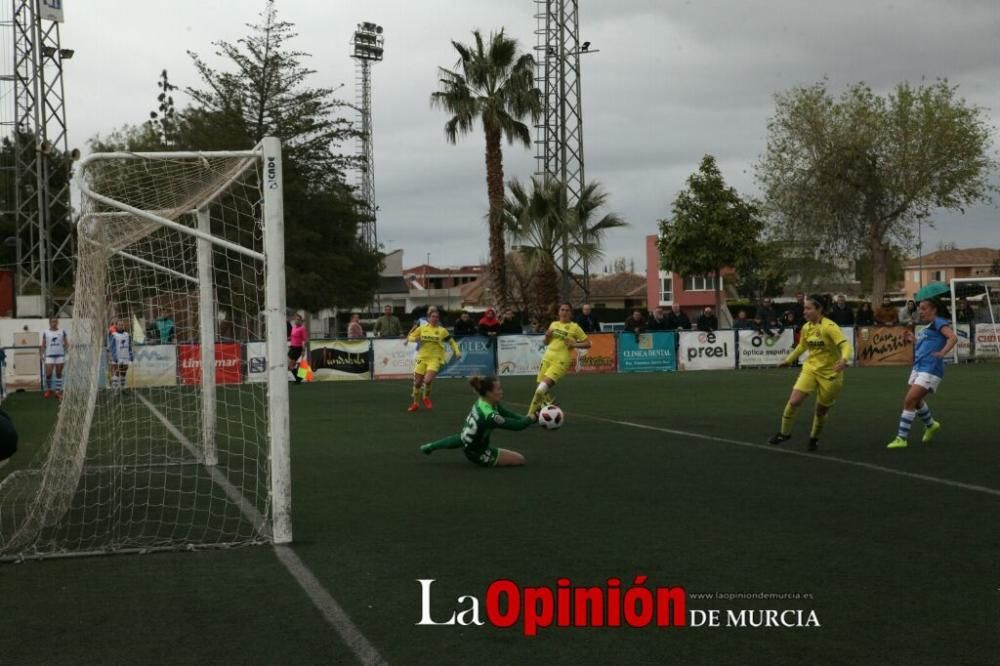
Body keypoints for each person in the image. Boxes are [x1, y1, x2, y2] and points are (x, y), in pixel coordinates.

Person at [768, 295, 852, 451]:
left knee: (820, 411)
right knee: (794, 401)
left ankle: (814, 438)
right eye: (804, 308)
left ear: (819, 309)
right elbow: (802, 347)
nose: (804, 311)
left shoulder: (829, 327)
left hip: (831, 374)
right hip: (811, 368)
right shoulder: (806, 327)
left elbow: (846, 345)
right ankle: (784, 433)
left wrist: (844, 359)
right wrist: (788, 360)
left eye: (808, 308)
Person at [886, 298, 957, 449]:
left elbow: (953, 337)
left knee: (909, 401)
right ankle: (931, 425)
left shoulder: (939, 322)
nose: (921, 311)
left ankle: (901, 438)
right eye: (920, 308)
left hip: (930, 369)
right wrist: (913, 339)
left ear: (934, 310)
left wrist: (943, 352)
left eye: (924, 308)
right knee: (916, 401)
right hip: (918, 367)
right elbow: (925, 345)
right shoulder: (928, 327)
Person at [419, 376, 533, 466]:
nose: (501, 391)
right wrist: (532, 418)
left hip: (469, 443)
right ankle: (431, 447)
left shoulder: (483, 402)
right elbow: (517, 426)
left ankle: (430, 446)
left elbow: (508, 414)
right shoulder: (489, 416)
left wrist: (528, 418)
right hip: (478, 453)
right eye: (498, 389)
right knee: (519, 460)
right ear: (489, 393)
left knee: (463, 438)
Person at [527, 303, 591, 417]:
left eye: (567, 310)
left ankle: (529, 416)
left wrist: (575, 344)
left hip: (560, 362)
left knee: (541, 390)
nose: (564, 312)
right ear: (558, 312)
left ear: (571, 313)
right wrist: (547, 336)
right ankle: (546, 404)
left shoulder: (574, 327)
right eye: (562, 310)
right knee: (539, 390)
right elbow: (546, 343)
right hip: (547, 359)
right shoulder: (553, 324)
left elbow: (588, 344)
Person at [405, 309, 461, 412]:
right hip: (421, 357)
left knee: (427, 380)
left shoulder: (442, 330)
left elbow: (451, 341)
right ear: (428, 318)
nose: (435, 318)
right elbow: (410, 336)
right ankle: (415, 404)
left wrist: (457, 351)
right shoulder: (422, 328)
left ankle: (425, 397)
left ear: (438, 319)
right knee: (417, 383)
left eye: (436, 317)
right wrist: (414, 339)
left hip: (435, 358)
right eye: (433, 316)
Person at [41, 317, 69, 399]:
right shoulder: (46, 332)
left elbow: (66, 343)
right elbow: (43, 344)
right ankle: (49, 389)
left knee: (58, 373)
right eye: (53, 321)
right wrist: (41, 354)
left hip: (60, 355)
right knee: (48, 374)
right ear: (49, 322)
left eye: (56, 321)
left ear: (57, 322)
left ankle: (58, 391)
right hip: (49, 355)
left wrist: (69, 352)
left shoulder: (62, 331)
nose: (54, 323)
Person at [107, 318, 134, 391]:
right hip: (117, 356)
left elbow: (129, 346)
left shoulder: (127, 334)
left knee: (124, 372)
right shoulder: (114, 334)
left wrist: (131, 355)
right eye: (119, 325)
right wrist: (114, 356)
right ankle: (115, 389)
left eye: (122, 325)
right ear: (116, 326)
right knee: (116, 372)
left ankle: (123, 387)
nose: (121, 326)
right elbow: (112, 346)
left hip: (125, 355)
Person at [288, 313, 308, 384]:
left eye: (298, 320)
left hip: (297, 349)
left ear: (300, 321)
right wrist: (288, 338)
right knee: (289, 366)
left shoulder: (302, 329)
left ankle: (298, 379)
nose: (297, 321)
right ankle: (299, 378)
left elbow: (305, 340)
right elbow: (293, 336)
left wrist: (303, 350)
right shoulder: (293, 327)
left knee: (290, 366)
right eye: (296, 319)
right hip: (292, 347)